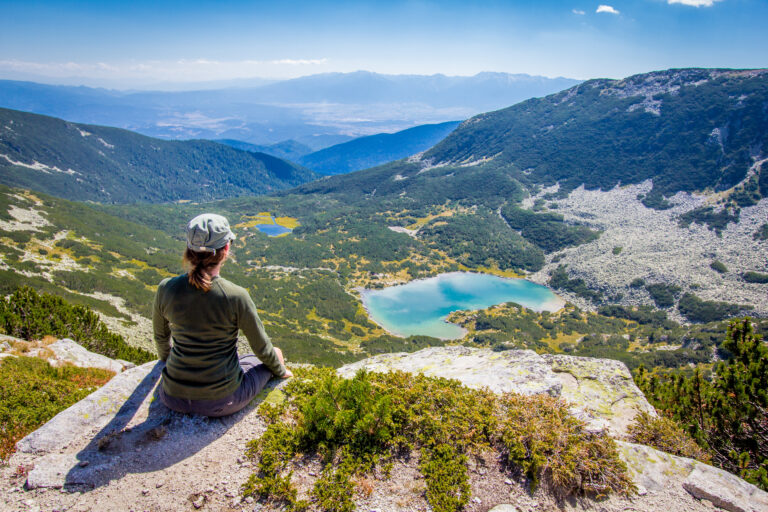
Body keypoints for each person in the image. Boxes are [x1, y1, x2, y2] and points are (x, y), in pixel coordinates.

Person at [153, 213, 292, 417]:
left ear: (189, 249)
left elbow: (160, 337)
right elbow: (262, 348)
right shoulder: (236, 296)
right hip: (221, 402)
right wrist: (281, 371)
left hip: (172, 396)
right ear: (226, 249)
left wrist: (167, 359)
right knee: (276, 353)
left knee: (244, 358)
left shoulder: (166, 288)